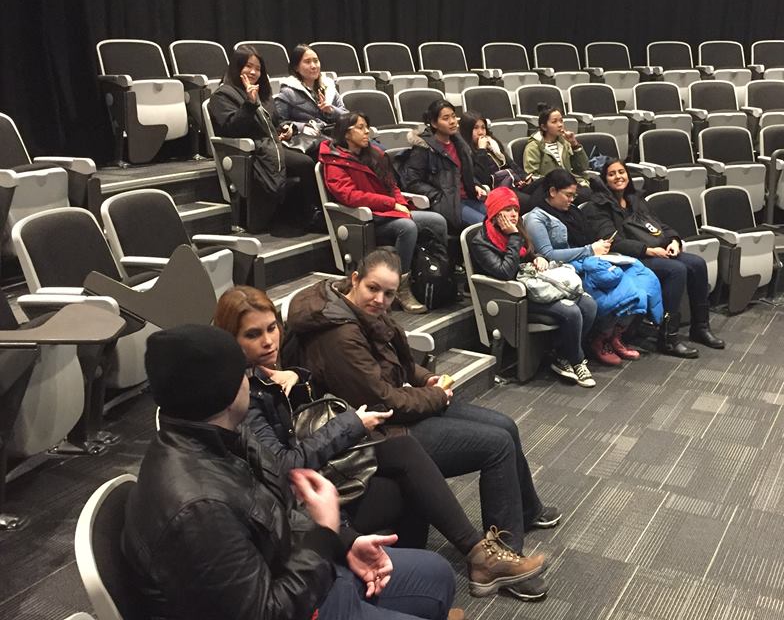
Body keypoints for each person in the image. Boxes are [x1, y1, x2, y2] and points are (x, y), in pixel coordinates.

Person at [212, 286, 546, 599]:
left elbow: (397, 367)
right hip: (300, 503)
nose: (268, 341)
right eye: (253, 334)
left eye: (272, 328)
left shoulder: (274, 370)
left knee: (431, 451)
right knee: (423, 468)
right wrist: (355, 422)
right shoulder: (241, 393)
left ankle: (473, 559)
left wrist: (298, 375)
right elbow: (283, 465)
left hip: (330, 464)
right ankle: (462, 564)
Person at [121, 324, 457, 620]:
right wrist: (324, 536)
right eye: (243, 373)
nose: (249, 380)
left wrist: (344, 543)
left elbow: (276, 511)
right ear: (226, 390)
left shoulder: (227, 434)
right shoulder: (198, 509)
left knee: (438, 574)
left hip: (300, 573)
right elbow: (267, 613)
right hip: (297, 603)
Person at [285, 249, 561, 602]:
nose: (380, 299)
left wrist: (425, 379)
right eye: (373, 288)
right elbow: (381, 399)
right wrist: (436, 396)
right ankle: (503, 559)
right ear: (355, 280)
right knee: (496, 445)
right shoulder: (338, 335)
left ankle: (526, 510)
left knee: (505, 425)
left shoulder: (358, 311)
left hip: (396, 412)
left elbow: (393, 364)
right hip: (378, 431)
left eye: (388, 293)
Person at [582, 159, 725, 358]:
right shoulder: (597, 207)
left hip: (655, 251)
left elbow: (659, 226)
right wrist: (648, 250)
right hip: (628, 258)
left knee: (697, 264)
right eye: (612, 174)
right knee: (676, 270)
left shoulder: (636, 199)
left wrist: (674, 240)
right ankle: (668, 338)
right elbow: (611, 241)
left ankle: (700, 327)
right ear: (604, 180)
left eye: (621, 172)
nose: (618, 177)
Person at [524, 169, 661, 366]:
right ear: (552, 191)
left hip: (588, 261)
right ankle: (600, 338)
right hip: (566, 270)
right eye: (568, 195)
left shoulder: (572, 211)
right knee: (617, 288)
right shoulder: (536, 218)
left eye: (574, 195)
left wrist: (598, 248)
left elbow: (588, 240)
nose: (572, 200)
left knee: (640, 277)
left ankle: (615, 335)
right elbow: (548, 254)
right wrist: (590, 250)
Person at [319, 111, 448, 313]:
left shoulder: (374, 154)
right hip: (366, 220)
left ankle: (441, 274)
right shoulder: (334, 161)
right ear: (346, 133)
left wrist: (400, 203)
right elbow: (350, 196)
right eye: (360, 128)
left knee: (437, 221)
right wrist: (391, 204)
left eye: (366, 127)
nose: (367, 132)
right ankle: (401, 287)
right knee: (407, 227)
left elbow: (391, 185)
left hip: (388, 212)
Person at [469, 186, 597, 387]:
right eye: (507, 210)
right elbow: (505, 272)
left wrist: (538, 258)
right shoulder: (481, 242)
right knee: (571, 312)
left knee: (589, 305)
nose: (513, 214)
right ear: (495, 213)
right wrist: (513, 236)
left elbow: (529, 253)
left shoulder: (517, 227)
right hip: (515, 296)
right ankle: (577, 361)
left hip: (536, 285)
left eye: (515, 209)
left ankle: (562, 356)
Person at [209, 45, 320, 233]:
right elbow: (232, 128)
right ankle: (310, 214)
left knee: (318, 152)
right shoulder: (223, 95)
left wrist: (285, 130)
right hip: (254, 150)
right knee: (305, 163)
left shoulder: (263, 93)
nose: (253, 72)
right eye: (248, 66)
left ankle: (314, 211)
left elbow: (274, 123)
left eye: (258, 68)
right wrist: (249, 104)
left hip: (273, 144)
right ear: (237, 66)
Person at [402, 100, 487, 231]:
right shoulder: (424, 148)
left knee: (500, 216)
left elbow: (463, 173)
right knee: (484, 225)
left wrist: (475, 185)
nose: (452, 121)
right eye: (446, 118)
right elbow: (413, 182)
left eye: (453, 116)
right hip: (448, 204)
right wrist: (438, 196)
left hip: (468, 197)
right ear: (434, 123)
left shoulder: (459, 143)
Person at [460, 112, 534, 214]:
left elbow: (511, 163)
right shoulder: (467, 152)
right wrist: (482, 150)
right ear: (467, 131)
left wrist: (524, 177)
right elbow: (483, 179)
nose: (481, 132)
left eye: (483, 128)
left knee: (544, 185)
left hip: (514, 183)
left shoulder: (493, 144)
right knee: (532, 202)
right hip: (497, 190)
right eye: (476, 128)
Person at [521, 105, 591, 200]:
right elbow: (532, 176)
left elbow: (583, 167)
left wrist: (574, 144)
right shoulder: (534, 146)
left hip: (570, 183)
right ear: (544, 127)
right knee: (587, 196)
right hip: (551, 188)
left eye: (561, 121)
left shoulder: (565, 142)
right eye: (554, 122)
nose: (560, 125)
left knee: (597, 187)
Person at [276, 44, 348, 135]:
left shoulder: (329, 86)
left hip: (334, 136)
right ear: (296, 67)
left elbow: (348, 117)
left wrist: (332, 110)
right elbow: (280, 123)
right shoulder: (288, 93)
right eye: (307, 62)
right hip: (308, 139)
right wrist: (302, 127)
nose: (313, 66)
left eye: (316, 61)